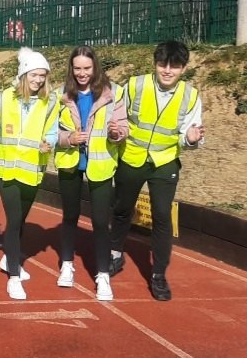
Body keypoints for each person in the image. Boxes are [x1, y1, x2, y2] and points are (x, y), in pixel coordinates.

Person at [109, 40, 204, 301]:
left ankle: (158, 274)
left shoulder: (191, 95)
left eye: (175, 66)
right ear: (155, 64)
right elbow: (117, 117)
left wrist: (192, 139)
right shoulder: (136, 85)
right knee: (122, 208)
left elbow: (189, 134)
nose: (167, 70)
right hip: (132, 157)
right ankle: (114, 254)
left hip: (165, 162)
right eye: (163, 64)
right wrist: (116, 131)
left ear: (184, 68)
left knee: (162, 216)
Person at [0, 47, 58, 301]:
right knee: (14, 221)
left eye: (42, 76)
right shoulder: (2, 99)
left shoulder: (50, 102)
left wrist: (49, 142)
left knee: (21, 220)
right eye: (34, 75)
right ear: (24, 74)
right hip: (6, 171)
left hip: (32, 171)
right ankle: (14, 276)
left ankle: (8, 259)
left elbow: (52, 132)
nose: (38, 80)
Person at [55, 45, 127, 301]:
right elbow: (51, 133)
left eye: (87, 68)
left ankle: (103, 275)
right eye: (77, 69)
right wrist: (68, 138)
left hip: (101, 163)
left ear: (95, 67)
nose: (82, 73)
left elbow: (124, 128)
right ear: (71, 69)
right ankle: (66, 264)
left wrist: (117, 133)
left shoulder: (114, 93)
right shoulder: (60, 95)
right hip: (70, 162)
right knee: (70, 216)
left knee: (99, 221)